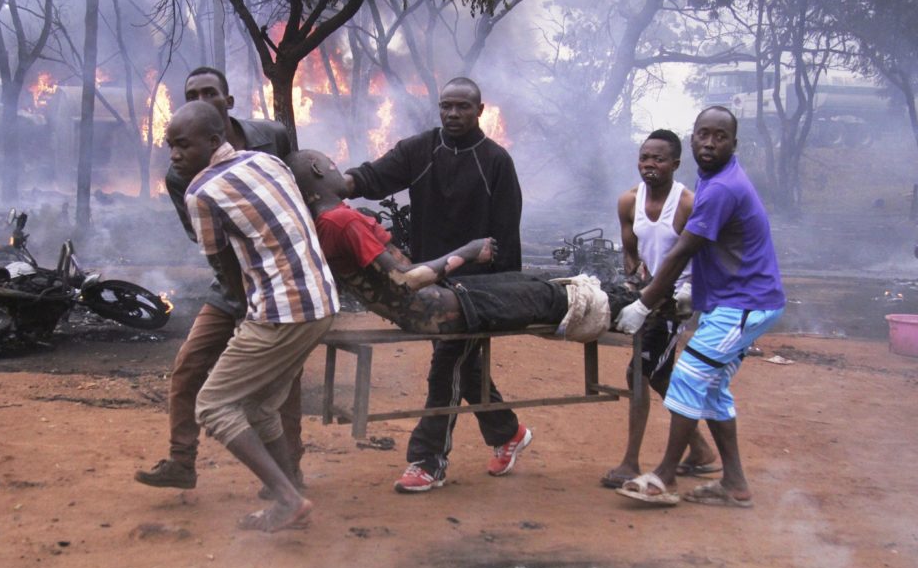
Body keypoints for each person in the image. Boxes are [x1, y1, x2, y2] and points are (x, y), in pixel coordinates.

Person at [344, 77, 532, 493]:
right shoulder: (421, 149)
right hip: (429, 279)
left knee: (446, 366)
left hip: (476, 290)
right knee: (465, 368)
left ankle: (428, 460)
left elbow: (506, 231)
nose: (452, 114)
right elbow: (376, 176)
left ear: (480, 111)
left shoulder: (496, 161)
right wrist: (338, 184)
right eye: (446, 106)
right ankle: (508, 432)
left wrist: (506, 295)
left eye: (462, 106)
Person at [165, 100, 338, 532]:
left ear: (214, 140)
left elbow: (226, 272)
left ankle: (286, 499)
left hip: (282, 312)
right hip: (322, 303)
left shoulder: (200, 194)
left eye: (183, 145)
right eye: (169, 147)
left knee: (213, 405)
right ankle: (291, 487)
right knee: (261, 407)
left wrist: (247, 322)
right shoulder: (266, 161)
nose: (174, 156)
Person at [135, 67, 302, 494]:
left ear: (228, 102)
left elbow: (295, 189)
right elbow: (205, 239)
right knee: (191, 363)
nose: (203, 98)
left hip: (282, 280)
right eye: (193, 93)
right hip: (232, 279)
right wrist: (239, 292)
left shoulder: (270, 137)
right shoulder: (180, 171)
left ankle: (290, 472)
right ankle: (181, 461)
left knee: (284, 379)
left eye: (211, 92)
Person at [614, 106, 785, 508]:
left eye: (719, 136)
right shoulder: (711, 180)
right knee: (713, 389)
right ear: (692, 139)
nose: (709, 143)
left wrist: (643, 303)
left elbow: (680, 252)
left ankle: (664, 477)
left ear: (733, 143)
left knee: (689, 376)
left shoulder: (722, 188)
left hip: (746, 302)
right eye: (703, 134)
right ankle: (735, 485)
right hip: (730, 301)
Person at [287, 149, 612, 339]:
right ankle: (632, 305)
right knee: (549, 295)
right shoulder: (339, 221)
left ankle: (498, 434)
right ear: (317, 169)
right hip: (440, 309)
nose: (336, 168)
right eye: (330, 163)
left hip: (444, 299)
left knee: (528, 282)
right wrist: (466, 252)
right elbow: (404, 279)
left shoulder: (325, 222)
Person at [600, 130, 718, 489]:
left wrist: (688, 296)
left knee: (639, 370)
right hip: (650, 297)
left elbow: (705, 256)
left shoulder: (687, 204)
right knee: (660, 373)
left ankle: (629, 462)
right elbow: (631, 252)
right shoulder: (628, 202)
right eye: (644, 158)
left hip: (677, 303)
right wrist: (634, 273)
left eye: (659, 159)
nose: (649, 165)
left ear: (675, 164)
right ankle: (699, 449)